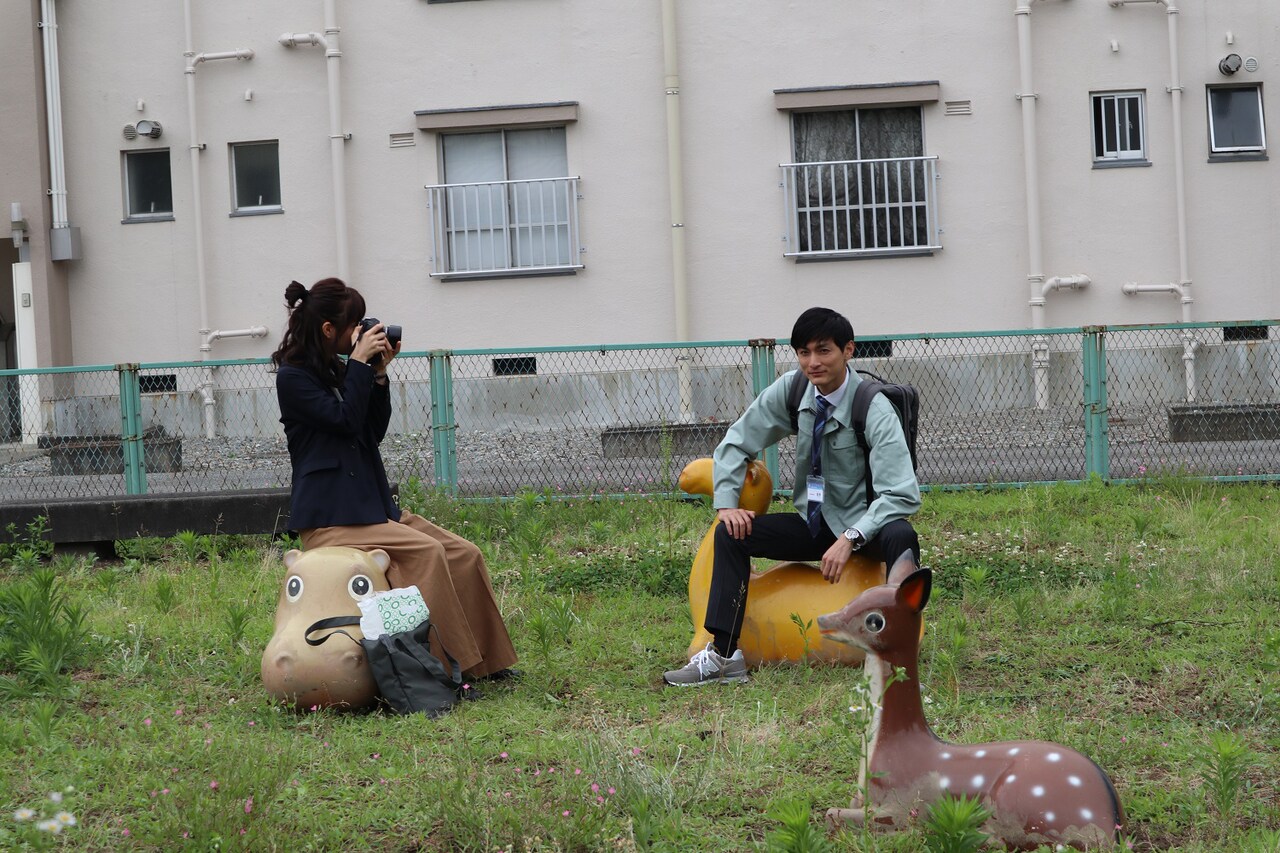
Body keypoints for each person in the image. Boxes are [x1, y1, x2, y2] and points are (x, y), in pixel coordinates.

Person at [272, 277, 517, 679]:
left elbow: (371, 431)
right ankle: (443, 670)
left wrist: (378, 373)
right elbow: (344, 420)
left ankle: (488, 663)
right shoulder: (293, 378)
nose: (361, 332)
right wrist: (357, 367)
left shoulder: (338, 370)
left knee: (464, 553)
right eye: (354, 325)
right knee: (429, 553)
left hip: (369, 508)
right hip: (332, 520)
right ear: (328, 329)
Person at [663, 307, 920, 687]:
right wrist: (727, 504)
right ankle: (723, 655)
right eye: (803, 352)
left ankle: (897, 649)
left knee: (902, 534)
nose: (812, 363)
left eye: (823, 351)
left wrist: (851, 538)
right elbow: (735, 443)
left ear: (848, 350)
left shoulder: (873, 407)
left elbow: (901, 493)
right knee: (729, 535)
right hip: (813, 521)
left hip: (864, 526)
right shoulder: (794, 389)